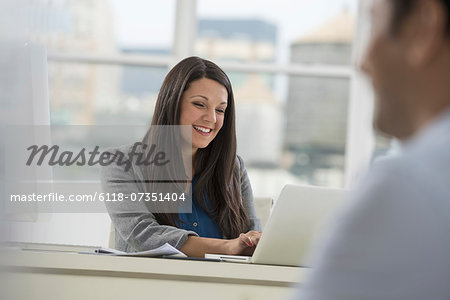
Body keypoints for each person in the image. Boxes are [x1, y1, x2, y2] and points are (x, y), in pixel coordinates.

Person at [295, 0, 450, 298]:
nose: (362, 61)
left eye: (376, 23)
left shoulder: (409, 187)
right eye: (200, 105)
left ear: (424, 27)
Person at [101, 57, 262, 258]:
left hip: (223, 287)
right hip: (149, 285)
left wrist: (255, 241)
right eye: (200, 104)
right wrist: (229, 247)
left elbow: (252, 234)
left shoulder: (234, 168)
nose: (211, 118)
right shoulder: (120, 163)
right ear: (172, 103)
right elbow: (143, 235)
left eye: (220, 110)